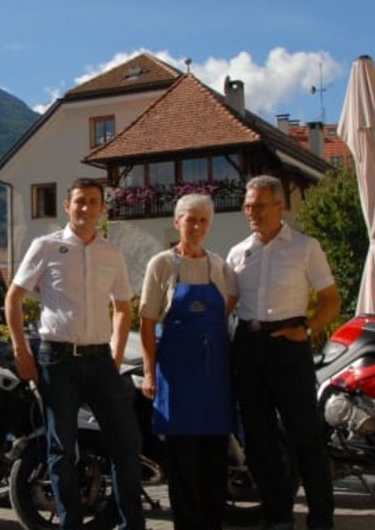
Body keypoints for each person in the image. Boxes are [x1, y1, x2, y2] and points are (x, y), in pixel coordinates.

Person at [5, 177, 145, 530]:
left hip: (100, 360)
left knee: (127, 444)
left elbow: (124, 307)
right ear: (67, 206)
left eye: (93, 201)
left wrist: (114, 354)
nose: (86, 208)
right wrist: (21, 349)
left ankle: (133, 525)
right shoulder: (46, 246)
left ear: (102, 208)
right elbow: (14, 298)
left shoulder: (111, 252)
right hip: (57, 359)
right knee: (62, 449)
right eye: (79, 201)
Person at [226, 175, 341, 530]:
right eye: (247, 206)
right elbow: (226, 305)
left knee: (305, 436)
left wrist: (306, 328)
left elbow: (331, 301)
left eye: (259, 205)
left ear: (280, 206)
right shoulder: (237, 252)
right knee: (259, 442)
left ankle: (321, 519)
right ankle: (278, 516)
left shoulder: (306, 247)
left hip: (289, 344)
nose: (252, 212)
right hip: (247, 345)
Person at [137, 194, 239, 529]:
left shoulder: (218, 265)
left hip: (214, 379)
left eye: (203, 220)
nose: (196, 226)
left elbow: (229, 303)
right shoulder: (162, 265)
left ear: (209, 224)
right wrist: (150, 373)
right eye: (190, 219)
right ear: (177, 222)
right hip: (177, 379)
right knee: (183, 465)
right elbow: (148, 323)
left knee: (213, 461)